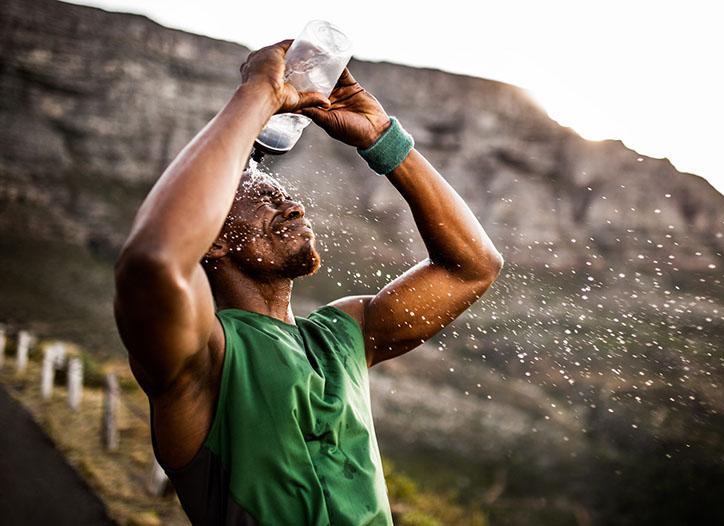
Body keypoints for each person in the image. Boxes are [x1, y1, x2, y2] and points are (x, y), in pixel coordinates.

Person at [113, 40, 503, 525]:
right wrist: (259, 92)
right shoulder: (201, 357)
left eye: (286, 195)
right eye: (263, 199)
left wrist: (382, 138)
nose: (293, 206)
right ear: (212, 242)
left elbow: (472, 267)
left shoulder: (345, 335)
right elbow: (154, 262)